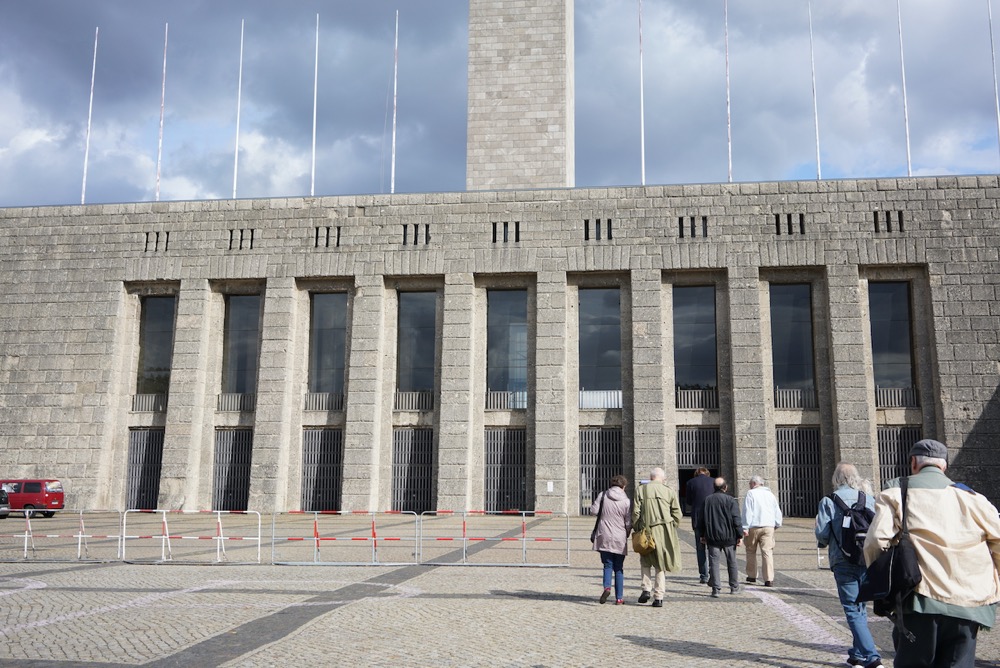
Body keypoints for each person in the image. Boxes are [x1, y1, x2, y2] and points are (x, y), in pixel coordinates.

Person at [864, 439, 1000, 667]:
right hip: (970, 602)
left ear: (913, 462)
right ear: (944, 466)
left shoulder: (896, 495)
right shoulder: (976, 500)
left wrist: (883, 584)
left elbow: (876, 542)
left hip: (919, 599)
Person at [816, 463, 882, 668]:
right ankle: (857, 656)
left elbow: (822, 534)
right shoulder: (868, 499)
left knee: (852, 610)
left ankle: (872, 658)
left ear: (836, 479)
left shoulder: (829, 501)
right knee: (860, 608)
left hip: (842, 559)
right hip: (867, 559)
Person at [631, 467, 683, 607]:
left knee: (645, 560)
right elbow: (677, 513)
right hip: (664, 531)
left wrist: (636, 528)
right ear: (663, 478)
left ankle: (646, 589)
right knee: (661, 564)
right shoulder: (669, 491)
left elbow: (636, 512)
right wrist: (672, 527)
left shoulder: (641, 490)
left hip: (646, 529)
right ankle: (659, 597)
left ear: (651, 477)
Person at [589, 475, 632, 605]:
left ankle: (607, 588)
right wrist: (627, 533)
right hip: (620, 537)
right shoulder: (626, 501)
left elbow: (593, 511)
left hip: (604, 535)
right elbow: (629, 522)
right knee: (619, 568)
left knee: (607, 565)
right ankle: (619, 598)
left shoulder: (603, 495)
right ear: (624, 486)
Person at [700, 477, 743, 598]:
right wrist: (739, 535)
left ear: (714, 487)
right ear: (725, 487)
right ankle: (734, 587)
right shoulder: (730, 500)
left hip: (712, 536)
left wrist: (703, 535)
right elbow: (736, 519)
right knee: (732, 562)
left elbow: (702, 520)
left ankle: (716, 589)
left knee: (714, 562)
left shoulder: (707, 500)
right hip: (729, 536)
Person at [742, 474, 782, 587]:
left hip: (754, 526)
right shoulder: (770, 495)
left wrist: (745, 527)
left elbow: (747, 511)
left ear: (754, 483)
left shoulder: (751, 493)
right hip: (769, 526)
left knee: (750, 551)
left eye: (750, 483)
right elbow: (777, 510)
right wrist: (777, 523)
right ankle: (769, 578)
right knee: (767, 552)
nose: (749, 485)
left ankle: (752, 575)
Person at [685, 466, 715, 584]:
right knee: (713, 547)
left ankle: (704, 575)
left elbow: (688, 501)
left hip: (698, 519)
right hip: (712, 519)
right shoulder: (713, 481)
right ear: (707, 473)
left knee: (700, 548)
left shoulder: (690, 483)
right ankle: (714, 573)